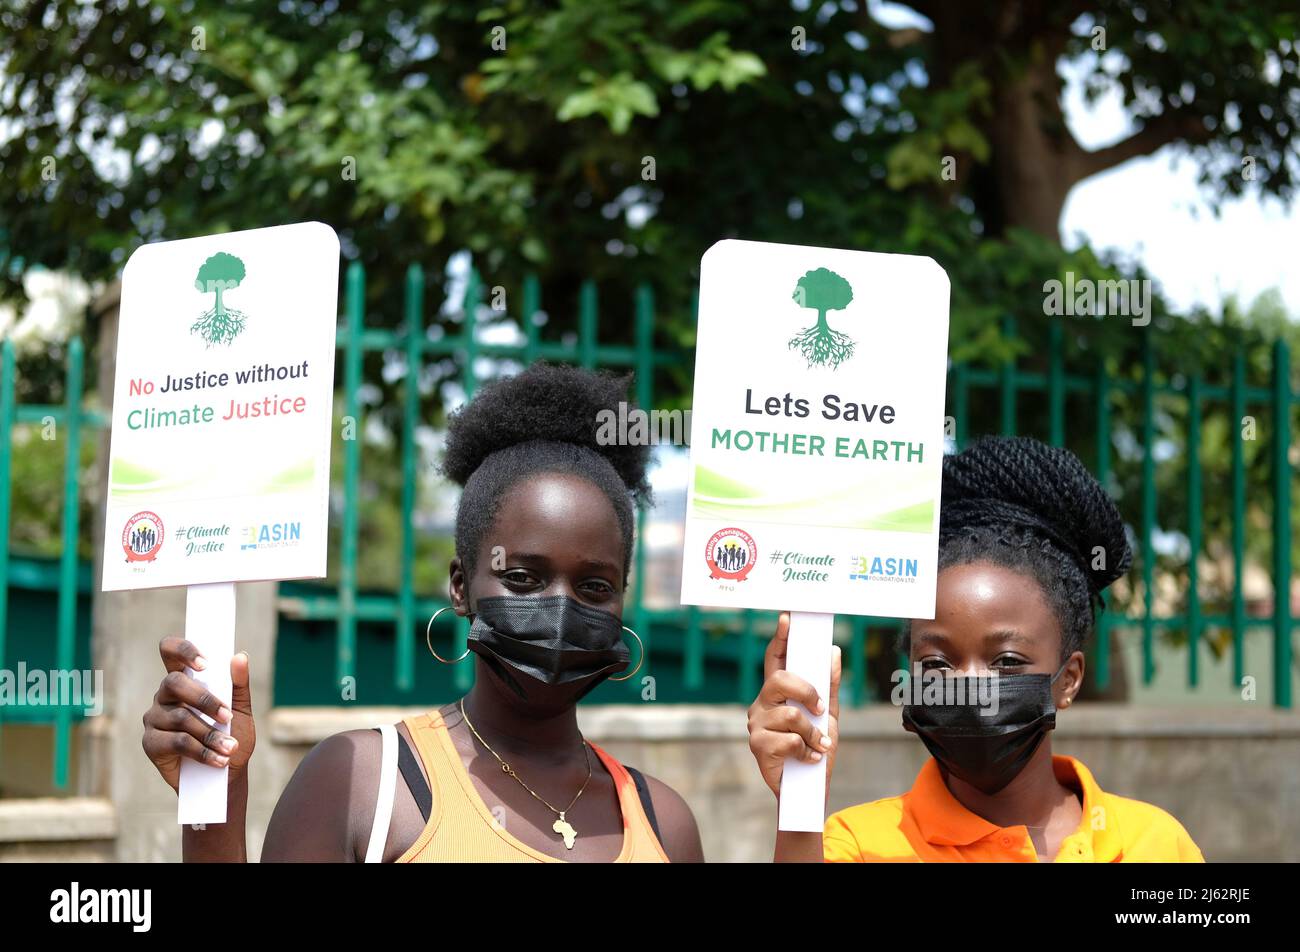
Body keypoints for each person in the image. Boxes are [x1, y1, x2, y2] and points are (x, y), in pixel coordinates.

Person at [143, 363, 704, 862]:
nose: (560, 608)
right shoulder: (362, 783)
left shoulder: (665, 826)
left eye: (594, 585)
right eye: (523, 578)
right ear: (461, 587)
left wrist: (794, 811)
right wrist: (215, 798)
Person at [747, 436, 1205, 862]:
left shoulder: (1157, 844)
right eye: (936, 663)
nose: (968, 685)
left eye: (1006, 661)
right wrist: (799, 804)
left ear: (1068, 680)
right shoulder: (859, 844)